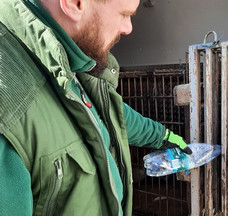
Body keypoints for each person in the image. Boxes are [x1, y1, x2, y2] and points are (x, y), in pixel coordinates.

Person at [0, 0, 192, 215]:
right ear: (74, 3)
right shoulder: (9, 106)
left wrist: (163, 136)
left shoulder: (68, 55)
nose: (128, 28)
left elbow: (107, 111)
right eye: (124, 14)